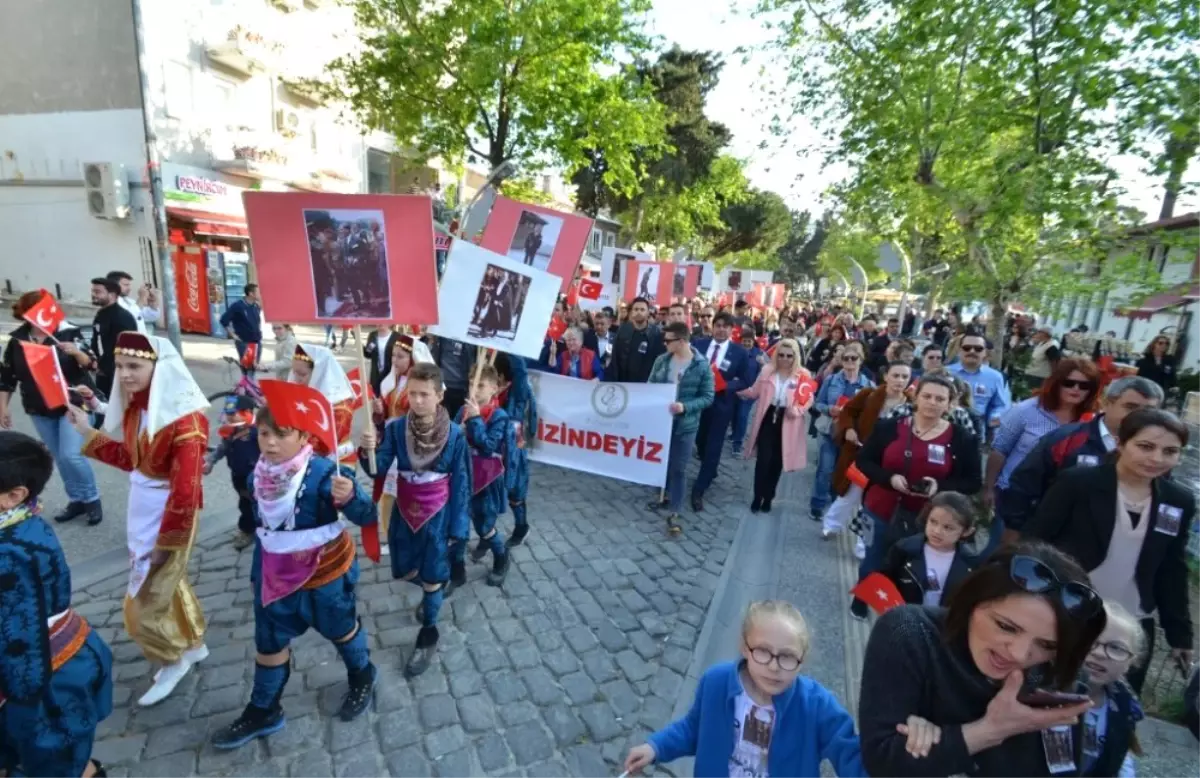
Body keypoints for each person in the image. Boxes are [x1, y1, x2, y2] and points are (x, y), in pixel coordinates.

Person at [210, 403, 379, 750]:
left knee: (342, 630)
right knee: (269, 643)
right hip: (273, 576)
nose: (270, 443)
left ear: (303, 436)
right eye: (264, 433)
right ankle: (263, 710)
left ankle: (362, 673)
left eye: (281, 434)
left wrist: (350, 498)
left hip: (324, 579)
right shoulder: (256, 474)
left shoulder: (326, 474)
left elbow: (367, 516)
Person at [858, 542, 1105, 778]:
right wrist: (989, 731)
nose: (1019, 654)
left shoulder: (1056, 676)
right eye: (1006, 627)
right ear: (972, 601)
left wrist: (944, 743)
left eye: (1047, 645)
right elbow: (882, 761)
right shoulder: (911, 633)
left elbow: (1062, 770)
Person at [71, 332, 210, 706]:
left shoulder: (186, 423)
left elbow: (184, 493)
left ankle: (172, 658)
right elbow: (133, 461)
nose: (126, 375)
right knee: (168, 584)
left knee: (142, 601)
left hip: (169, 516)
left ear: (158, 368)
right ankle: (192, 644)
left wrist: (167, 544)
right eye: (120, 366)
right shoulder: (138, 409)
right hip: (142, 507)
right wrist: (87, 430)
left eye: (135, 366)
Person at [1025, 408, 1195, 694]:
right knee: (1049, 689)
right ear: (1120, 443)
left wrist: (1181, 635)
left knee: (1113, 703)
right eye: (1145, 446)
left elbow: (1172, 568)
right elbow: (1036, 542)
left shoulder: (1179, 501)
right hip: (1071, 609)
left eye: (1170, 451)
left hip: (1131, 620)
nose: (1156, 458)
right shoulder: (1079, 483)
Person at [622, 600, 866, 778]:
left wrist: (900, 755)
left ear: (803, 658)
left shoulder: (816, 705)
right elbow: (693, 728)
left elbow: (850, 752)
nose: (773, 666)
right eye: (762, 651)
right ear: (744, 647)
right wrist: (655, 747)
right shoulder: (716, 682)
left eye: (787, 656)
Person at [0, 431, 114, 778]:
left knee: (55, 762)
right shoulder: (23, 521)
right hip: (53, 660)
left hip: (43, 680)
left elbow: (18, 643)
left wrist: (22, 705)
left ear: (13, 495)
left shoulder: (7, 554)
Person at [358, 363, 470, 676]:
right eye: (413, 394)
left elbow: (462, 482)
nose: (417, 400)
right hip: (405, 512)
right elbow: (379, 469)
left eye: (424, 394)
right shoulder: (396, 429)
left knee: (432, 575)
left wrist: (458, 529)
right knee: (405, 569)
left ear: (439, 395)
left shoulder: (456, 436)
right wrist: (368, 450)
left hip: (439, 515)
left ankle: (428, 632)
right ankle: (434, 586)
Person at [850, 373, 982, 620]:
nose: (932, 402)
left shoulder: (962, 438)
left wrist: (940, 486)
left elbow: (974, 481)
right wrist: (889, 478)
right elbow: (864, 460)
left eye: (940, 398)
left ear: (950, 404)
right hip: (879, 508)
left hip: (928, 519)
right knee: (872, 559)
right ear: (916, 397)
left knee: (911, 568)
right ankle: (862, 598)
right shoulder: (889, 427)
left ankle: (901, 615)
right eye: (927, 396)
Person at [999, 376, 1163, 539]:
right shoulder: (1065, 440)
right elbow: (1024, 485)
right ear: (1107, 403)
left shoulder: (1159, 455)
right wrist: (1013, 531)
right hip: (1054, 542)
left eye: (1148, 411)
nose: (1139, 416)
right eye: (1131, 407)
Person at [0, 291, 103, 525]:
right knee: (59, 456)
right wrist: (3, 407)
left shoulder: (68, 331)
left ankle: (91, 498)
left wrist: (76, 352)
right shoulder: (17, 340)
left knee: (71, 455)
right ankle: (76, 499)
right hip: (39, 407)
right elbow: (6, 377)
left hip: (73, 403)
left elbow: (93, 363)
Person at [983, 357, 1101, 554]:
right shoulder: (1026, 410)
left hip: (1063, 502)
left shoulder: (1094, 420)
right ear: (1056, 382)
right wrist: (988, 488)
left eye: (1084, 385)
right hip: (1016, 495)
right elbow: (1000, 449)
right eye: (1069, 383)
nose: (1076, 389)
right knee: (1004, 552)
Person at [820, 360, 911, 539]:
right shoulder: (869, 394)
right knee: (850, 495)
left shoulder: (912, 405)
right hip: (862, 455)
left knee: (873, 505)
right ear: (886, 376)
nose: (900, 380)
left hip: (888, 464)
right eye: (896, 375)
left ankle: (864, 544)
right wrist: (849, 429)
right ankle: (831, 525)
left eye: (904, 376)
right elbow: (848, 411)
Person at [647, 322, 715, 534]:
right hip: (662, 421)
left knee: (679, 467)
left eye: (668, 340)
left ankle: (676, 507)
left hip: (685, 425)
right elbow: (649, 385)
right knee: (662, 460)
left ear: (682, 341)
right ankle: (663, 495)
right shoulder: (661, 361)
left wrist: (685, 407)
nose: (664, 343)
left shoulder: (701, 366)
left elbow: (707, 397)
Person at [737, 338, 812, 513]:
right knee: (763, 461)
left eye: (789, 356)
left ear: (796, 357)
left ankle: (769, 497)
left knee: (777, 462)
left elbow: (808, 399)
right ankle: (757, 495)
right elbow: (755, 391)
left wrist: (798, 410)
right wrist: (736, 391)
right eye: (782, 355)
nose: (785, 359)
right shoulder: (767, 370)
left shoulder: (803, 375)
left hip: (787, 420)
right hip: (767, 416)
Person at [453, 364, 512, 587]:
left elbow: (488, 446)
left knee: (485, 526)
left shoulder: (500, 416)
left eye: (480, 385)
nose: (474, 389)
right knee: (457, 524)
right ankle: (456, 571)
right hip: (463, 476)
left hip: (486, 481)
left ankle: (501, 556)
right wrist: (455, 431)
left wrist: (475, 420)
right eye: (471, 383)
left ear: (494, 389)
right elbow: (452, 437)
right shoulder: (464, 409)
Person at [1076, 602, 1145, 777]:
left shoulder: (1125, 707)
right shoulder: (1043, 693)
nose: (1099, 653)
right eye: (1091, 640)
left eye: (1116, 648)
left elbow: (1120, 754)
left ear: (1130, 663)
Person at [691, 312, 752, 512]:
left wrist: (726, 385)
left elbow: (745, 380)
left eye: (726, 326)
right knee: (700, 440)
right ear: (712, 325)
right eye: (718, 325)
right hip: (697, 401)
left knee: (713, 446)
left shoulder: (740, 352)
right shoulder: (698, 345)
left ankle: (700, 488)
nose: (721, 329)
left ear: (732, 329)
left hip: (721, 404)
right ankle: (709, 466)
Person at [809, 341, 874, 521]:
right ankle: (817, 504)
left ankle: (834, 503)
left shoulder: (868, 385)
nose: (850, 361)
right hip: (829, 431)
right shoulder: (831, 380)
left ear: (861, 361)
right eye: (846, 358)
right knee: (825, 469)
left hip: (851, 436)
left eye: (854, 358)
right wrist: (829, 409)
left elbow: (872, 412)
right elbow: (817, 403)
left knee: (841, 471)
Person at [880, 491, 978, 606]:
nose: (937, 531)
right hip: (905, 616)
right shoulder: (905, 549)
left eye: (948, 527)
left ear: (966, 532)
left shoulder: (971, 562)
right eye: (933, 521)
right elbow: (886, 581)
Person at [493, 353, 537, 547]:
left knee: (515, 493)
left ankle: (521, 527)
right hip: (494, 449)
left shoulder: (517, 391)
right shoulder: (492, 390)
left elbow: (520, 370)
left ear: (502, 375)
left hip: (513, 453)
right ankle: (487, 533)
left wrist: (511, 346)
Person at [288, 344, 356, 466]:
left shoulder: (339, 405)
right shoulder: (303, 392)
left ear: (320, 373)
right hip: (303, 458)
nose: (296, 379)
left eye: (302, 374)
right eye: (294, 373)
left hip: (335, 465)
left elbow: (324, 445)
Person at [947, 331, 1010, 440]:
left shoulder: (995, 377)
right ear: (959, 350)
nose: (972, 351)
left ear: (985, 352)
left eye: (978, 349)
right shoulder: (945, 372)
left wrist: (995, 417)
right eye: (967, 348)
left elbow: (1000, 404)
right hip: (946, 425)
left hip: (976, 431)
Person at [88, 277, 140, 398]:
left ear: (112, 295)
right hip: (103, 372)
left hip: (117, 373)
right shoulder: (101, 314)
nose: (93, 295)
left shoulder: (122, 317)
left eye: (98, 292)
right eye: (93, 291)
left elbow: (128, 347)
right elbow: (98, 340)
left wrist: (114, 368)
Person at [611, 297, 664, 382]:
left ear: (648, 313)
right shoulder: (623, 330)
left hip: (647, 383)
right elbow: (615, 357)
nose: (639, 312)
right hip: (625, 381)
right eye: (636, 309)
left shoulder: (656, 333)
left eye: (642, 310)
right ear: (631, 312)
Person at [732, 328, 766, 456]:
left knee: (742, 415)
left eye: (749, 341)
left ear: (753, 342)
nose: (746, 343)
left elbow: (764, 373)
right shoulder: (736, 352)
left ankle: (737, 443)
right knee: (735, 414)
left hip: (750, 390)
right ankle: (735, 433)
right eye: (744, 341)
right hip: (736, 389)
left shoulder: (759, 354)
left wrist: (762, 365)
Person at [430, 336, 476, 417]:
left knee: (456, 419)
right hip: (442, 385)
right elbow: (435, 356)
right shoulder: (442, 336)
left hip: (461, 388)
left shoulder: (470, 339)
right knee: (440, 418)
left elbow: (472, 362)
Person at [106, 270, 160, 334]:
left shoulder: (129, 301)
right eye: (126, 285)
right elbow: (128, 318)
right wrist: (142, 298)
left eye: (129, 285)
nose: (129, 288)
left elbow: (151, 317)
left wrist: (153, 303)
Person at [220, 284, 263, 361]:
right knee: (247, 367)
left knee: (255, 366)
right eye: (258, 292)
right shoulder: (237, 306)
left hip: (257, 341)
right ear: (251, 293)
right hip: (244, 342)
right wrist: (233, 335)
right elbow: (223, 320)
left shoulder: (256, 306)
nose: (260, 294)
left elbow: (257, 321)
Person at [1021, 328, 1061, 396]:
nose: (1037, 334)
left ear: (1044, 334)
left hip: (1040, 377)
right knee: (1027, 394)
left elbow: (1054, 362)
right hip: (1032, 374)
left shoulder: (1051, 346)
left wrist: (1054, 376)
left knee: (1034, 396)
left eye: (1039, 332)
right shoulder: (1042, 343)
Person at [363, 324, 398, 396]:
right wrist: (363, 348)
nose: (380, 323)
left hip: (391, 373)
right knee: (376, 398)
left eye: (383, 321)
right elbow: (368, 354)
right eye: (377, 321)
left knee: (389, 398)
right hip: (376, 374)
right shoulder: (372, 335)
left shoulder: (397, 336)